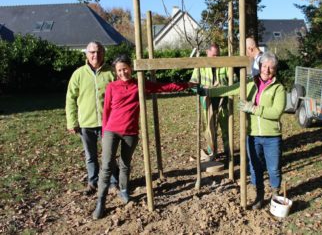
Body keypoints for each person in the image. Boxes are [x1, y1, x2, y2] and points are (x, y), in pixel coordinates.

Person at [92, 54, 192, 219]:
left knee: (125, 164)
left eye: (125, 69)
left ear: (130, 68)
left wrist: (186, 85)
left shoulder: (139, 84)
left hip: (130, 132)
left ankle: (124, 191)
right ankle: (101, 202)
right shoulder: (112, 87)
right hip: (111, 131)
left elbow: (164, 87)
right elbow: (106, 112)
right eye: (119, 70)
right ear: (116, 72)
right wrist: (104, 133)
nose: (123, 72)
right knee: (106, 166)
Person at [200, 52, 286, 210]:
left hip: (272, 137)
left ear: (275, 70)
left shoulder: (279, 88)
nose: (267, 70)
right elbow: (230, 89)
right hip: (252, 136)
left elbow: (276, 112)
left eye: (271, 68)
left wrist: (252, 108)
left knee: (273, 168)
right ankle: (259, 195)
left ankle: (275, 195)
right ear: (260, 66)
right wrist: (207, 92)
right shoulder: (250, 84)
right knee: (254, 167)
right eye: (265, 66)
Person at [65, 41, 118, 195]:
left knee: (109, 155)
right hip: (85, 123)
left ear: (104, 53)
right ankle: (93, 182)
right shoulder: (79, 74)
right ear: (87, 54)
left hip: (107, 123)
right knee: (90, 156)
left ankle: (113, 183)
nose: (96, 55)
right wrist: (71, 121)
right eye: (92, 52)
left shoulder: (111, 72)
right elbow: (70, 98)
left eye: (99, 51)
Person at [190, 43, 230, 163]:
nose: (216, 59)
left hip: (223, 100)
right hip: (207, 101)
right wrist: (201, 89)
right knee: (209, 127)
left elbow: (234, 81)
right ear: (207, 53)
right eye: (213, 55)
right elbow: (192, 84)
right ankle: (212, 152)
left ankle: (228, 152)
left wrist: (224, 87)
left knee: (225, 126)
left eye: (217, 55)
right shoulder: (200, 65)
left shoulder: (225, 65)